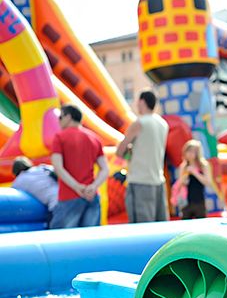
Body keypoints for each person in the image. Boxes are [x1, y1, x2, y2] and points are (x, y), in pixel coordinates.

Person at [49, 104, 109, 229]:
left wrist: (77, 187)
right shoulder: (94, 138)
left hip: (69, 196)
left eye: (60, 117)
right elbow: (105, 169)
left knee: (61, 241)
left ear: (68, 117)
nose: (58, 120)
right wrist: (93, 186)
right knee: (90, 242)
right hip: (92, 196)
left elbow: (58, 167)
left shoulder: (59, 137)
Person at [116, 89, 169, 223]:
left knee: (141, 226)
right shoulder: (163, 124)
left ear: (142, 102)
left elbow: (120, 150)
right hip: (158, 180)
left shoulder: (139, 123)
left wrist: (128, 151)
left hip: (140, 180)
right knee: (160, 224)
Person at [176, 139, 213, 219]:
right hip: (186, 202)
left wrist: (195, 173)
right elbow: (180, 183)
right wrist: (185, 178)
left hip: (199, 201)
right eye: (188, 151)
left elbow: (208, 182)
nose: (190, 154)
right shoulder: (183, 166)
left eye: (193, 151)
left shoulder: (203, 166)